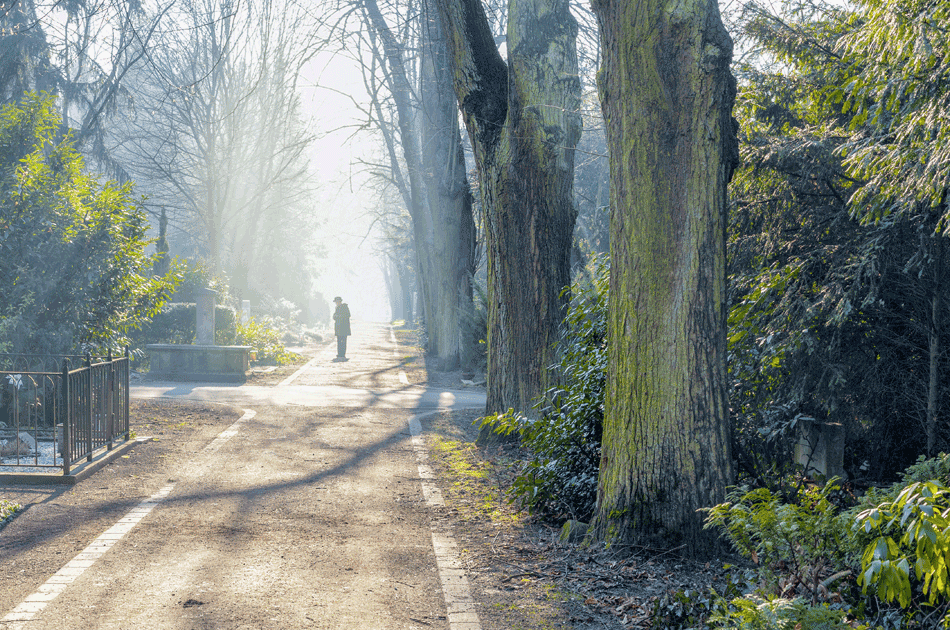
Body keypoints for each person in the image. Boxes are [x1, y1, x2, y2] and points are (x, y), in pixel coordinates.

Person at [332, 296, 351, 361]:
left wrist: (339, 317)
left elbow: (348, 315)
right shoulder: (337, 308)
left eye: (337, 302)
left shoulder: (345, 307)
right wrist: (337, 316)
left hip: (344, 327)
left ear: (340, 302)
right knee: (339, 341)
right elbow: (334, 316)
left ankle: (342, 354)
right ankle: (339, 354)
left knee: (343, 341)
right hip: (338, 328)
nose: (336, 303)